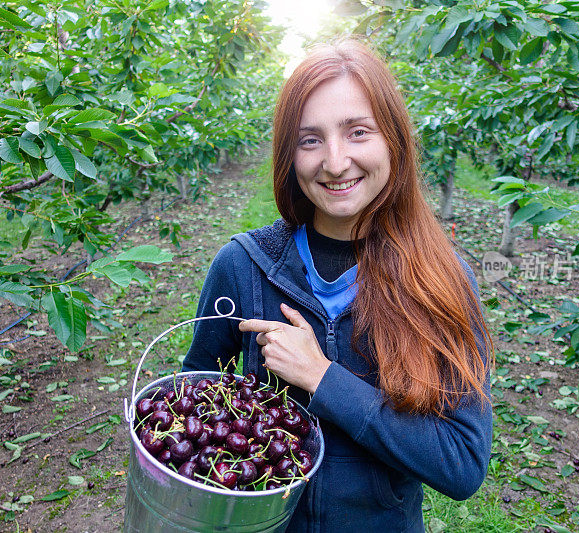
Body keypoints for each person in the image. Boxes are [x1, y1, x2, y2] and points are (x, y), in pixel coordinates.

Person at [182, 38, 493, 532]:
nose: (334, 161)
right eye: (310, 140)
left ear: (393, 140)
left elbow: (461, 463)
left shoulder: (441, 282)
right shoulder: (241, 266)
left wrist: (322, 377)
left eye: (357, 132)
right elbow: (194, 401)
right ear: (290, 155)